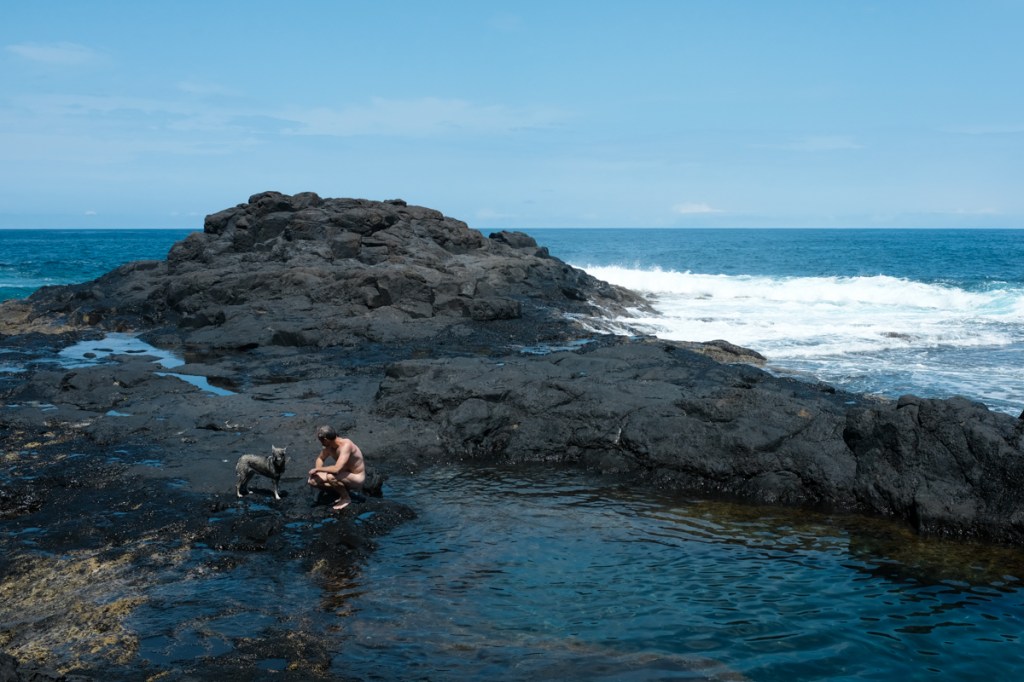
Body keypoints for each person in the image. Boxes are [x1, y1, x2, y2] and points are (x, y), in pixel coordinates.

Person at [307, 425, 366, 510]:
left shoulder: (346, 445)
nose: (320, 443)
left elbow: (336, 469)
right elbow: (320, 458)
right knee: (312, 481)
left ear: (326, 440)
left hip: (356, 477)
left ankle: (346, 498)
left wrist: (317, 469)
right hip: (342, 475)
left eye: (321, 440)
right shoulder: (328, 446)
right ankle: (338, 491)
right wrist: (318, 473)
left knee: (331, 477)